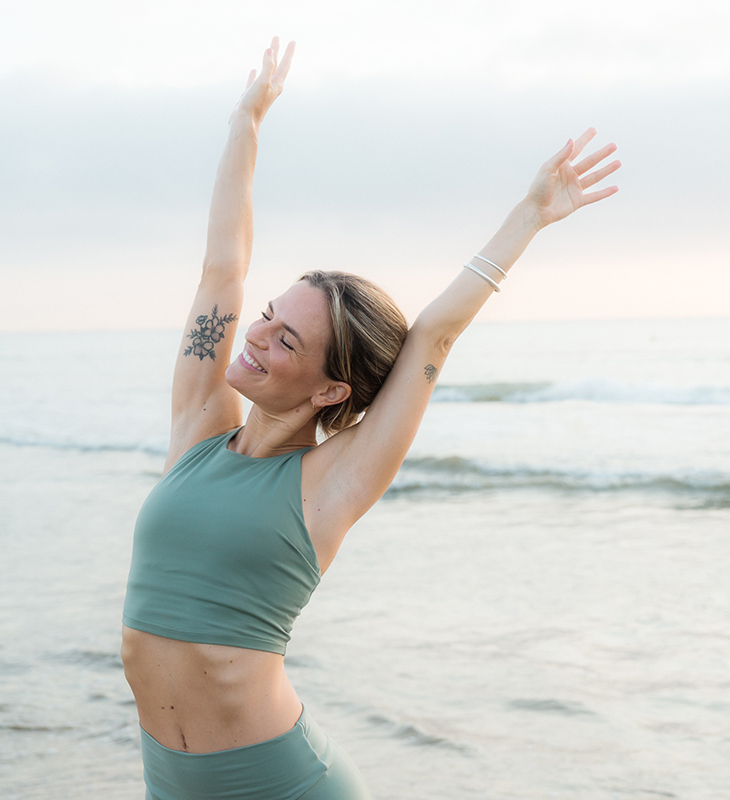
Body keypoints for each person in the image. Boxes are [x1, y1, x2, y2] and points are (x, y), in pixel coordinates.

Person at [120, 36, 620, 800]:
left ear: (329, 392)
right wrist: (246, 123)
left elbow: (433, 336)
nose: (254, 335)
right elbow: (223, 261)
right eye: (266, 317)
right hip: (170, 780)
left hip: (283, 784)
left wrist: (531, 214)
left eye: (286, 339)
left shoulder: (334, 481)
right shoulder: (198, 427)